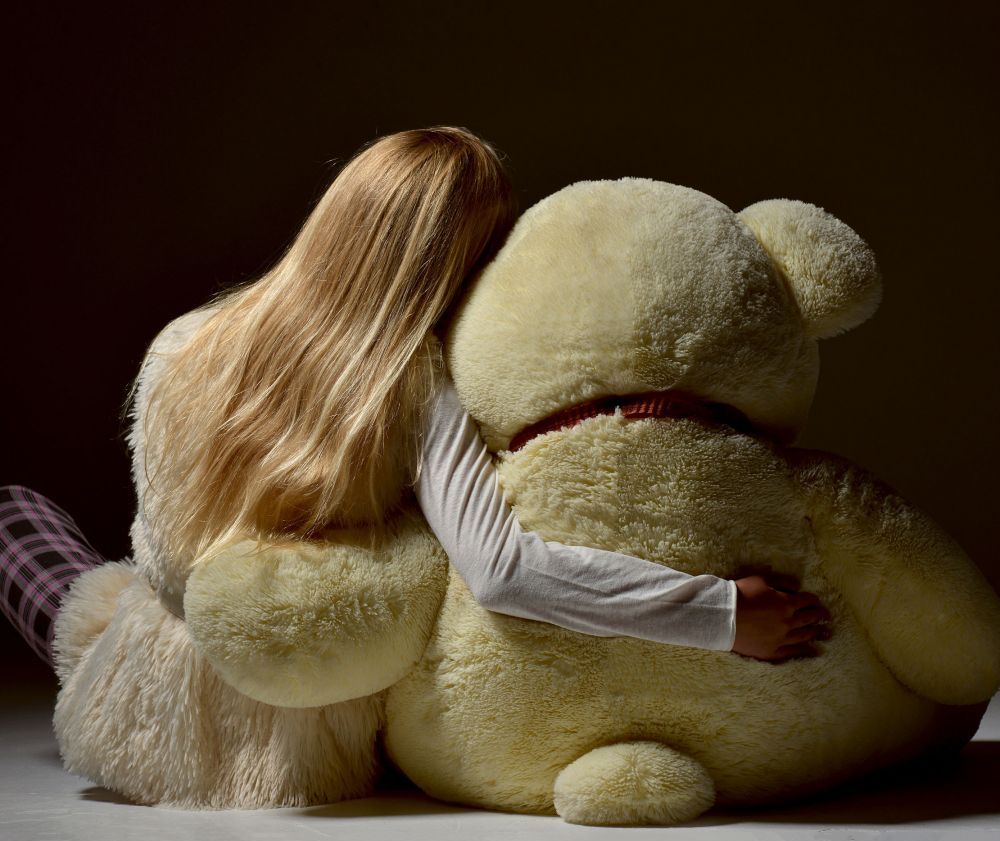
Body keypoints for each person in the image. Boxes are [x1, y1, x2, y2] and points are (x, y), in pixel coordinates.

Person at [2, 126, 829, 676]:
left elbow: (168, 554)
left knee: (20, 524)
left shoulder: (186, 343)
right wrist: (721, 613)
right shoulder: (414, 384)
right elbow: (502, 570)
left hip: (176, 664)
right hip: (319, 702)